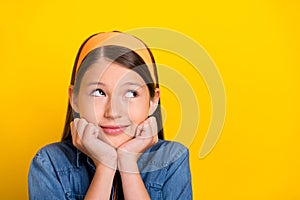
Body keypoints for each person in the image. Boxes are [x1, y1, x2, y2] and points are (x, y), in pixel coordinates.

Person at [28, 31, 192, 200]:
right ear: (74, 98)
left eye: (130, 93)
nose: (113, 112)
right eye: (99, 92)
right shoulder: (50, 162)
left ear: (152, 101)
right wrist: (105, 167)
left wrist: (128, 163)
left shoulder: (172, 158)